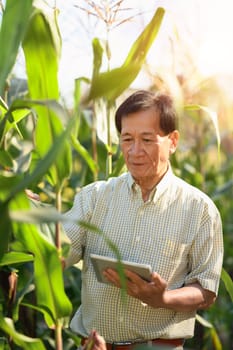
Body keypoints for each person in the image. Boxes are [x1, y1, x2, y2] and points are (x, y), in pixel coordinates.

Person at [62, 90, 223, 350]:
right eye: (127, 139)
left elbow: (206, 289)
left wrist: (163, 298)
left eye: (147, 139)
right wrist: (27, 211)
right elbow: (56, 252)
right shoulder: (93, 197)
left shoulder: (199, 209)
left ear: (172, 141)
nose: (135, 151)